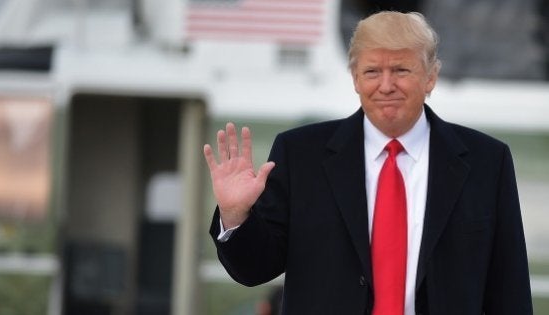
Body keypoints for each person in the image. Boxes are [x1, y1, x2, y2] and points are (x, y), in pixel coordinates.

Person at [203, 11, 532, 314]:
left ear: (431, 77)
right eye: (372, 71)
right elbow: (254, 269)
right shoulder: (299, 154)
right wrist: (235, 216)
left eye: (401, 70)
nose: (386, 86)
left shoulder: (487, 161)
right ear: (355, 78)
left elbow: (509, 287)